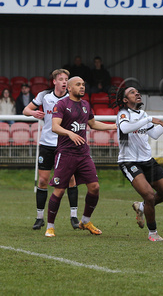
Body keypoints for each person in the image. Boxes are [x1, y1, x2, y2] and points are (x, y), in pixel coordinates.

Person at [44, 76, 117, 237]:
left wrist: (115, 126)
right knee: (59, 191)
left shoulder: (85, 105)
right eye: (78, 85)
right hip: (66, 154)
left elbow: (93, 124)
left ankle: (85, 220)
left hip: (83, 154)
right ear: (69, 88)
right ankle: (50, 226)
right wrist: (69, 133)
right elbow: (55, 127)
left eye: (83, 84)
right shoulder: (61, 104)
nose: (82, 87)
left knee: (95, 187)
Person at [115, 86, 163, 241]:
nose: (137, 93)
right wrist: (147, 119)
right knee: (149, 195)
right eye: (132, 92)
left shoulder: (143, 114)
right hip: (129, 161)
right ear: (125, 100)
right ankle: (153, 233)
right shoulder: (123, 113)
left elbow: (154, 134)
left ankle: (141, 206)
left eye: (138, 91)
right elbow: (125, 128)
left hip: (147, 160)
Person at [23, 69, 79, 230]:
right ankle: (39, 217)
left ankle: (74, 217)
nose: (64, 81)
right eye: (61, 79)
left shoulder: (72, 98)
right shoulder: (44, 95)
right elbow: (25, 110)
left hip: (66, 144)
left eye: (66, 79)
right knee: (43, 181)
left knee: (71, 179)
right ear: (54, 81)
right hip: (47, 144)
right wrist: (34, 113)